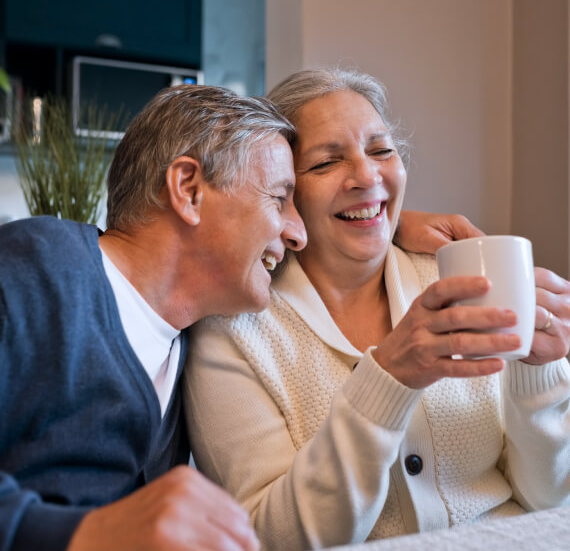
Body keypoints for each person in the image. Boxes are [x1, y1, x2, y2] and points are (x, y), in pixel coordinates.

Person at [0, 81, 479, 551]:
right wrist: (85, 536)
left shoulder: (190, 343)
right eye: (278, 198)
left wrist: (386, 223)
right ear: (188, 189)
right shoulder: (35, 272)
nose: (298, 232)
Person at [184, 68, 570, 551]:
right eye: (326, 163)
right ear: (285, 190)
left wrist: (539, 377)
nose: (367, 176)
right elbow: (276, 538)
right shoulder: (234, 327)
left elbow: (550, 499)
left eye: (382, 150)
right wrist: (387, 379)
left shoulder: (457, 280)